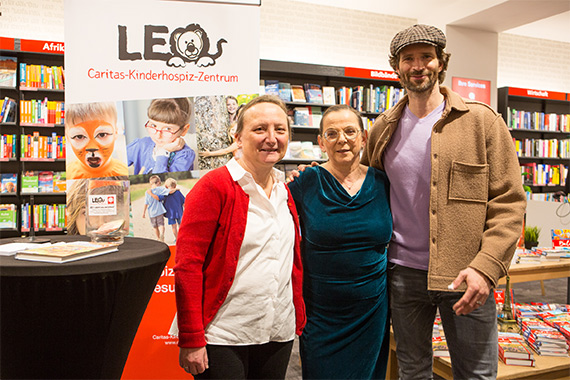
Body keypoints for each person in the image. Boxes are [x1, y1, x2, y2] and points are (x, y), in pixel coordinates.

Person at [362, 24, 526, 379]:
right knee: (412, 372)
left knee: (477, 374)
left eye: (426, 57)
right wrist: (315, 177)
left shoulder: (481, 121)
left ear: (441, 63)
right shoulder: (382, 128)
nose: (417, 66)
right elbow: (360, 187)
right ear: (397, 67)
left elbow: (510, 202)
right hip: (402, 274)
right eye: (409, 59)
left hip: (467, 275)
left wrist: (486, 267)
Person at [174, 95, 305, 379]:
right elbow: (188, 266)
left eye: (280, 130)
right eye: (260, 129)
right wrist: (191, 337)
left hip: (277, 330)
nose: (271, 138)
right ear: (238, 137)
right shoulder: (214, 187)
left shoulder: (286, 190)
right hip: (224, 335)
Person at [287, 104, 392, 379]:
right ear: (321, 142)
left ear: (363, 137)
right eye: (332, 134)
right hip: (321, 315)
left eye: (349, 131)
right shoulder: (304, 182)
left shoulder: (383, 183)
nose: (342, 139)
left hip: (372, 311)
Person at [127, 97, 195, 175]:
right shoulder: (140, 145)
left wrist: (163, 152)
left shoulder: (185, 156)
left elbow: (162, 181)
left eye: (167, 129)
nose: (158, 135)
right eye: (153, 125)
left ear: (184, 130)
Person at [65, 102, 129, 179]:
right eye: (79, 136)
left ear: (116, 132)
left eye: (102, 135)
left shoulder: (124, 174)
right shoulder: (68, 175)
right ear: (67, 137)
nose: (92, 147)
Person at [142, 174, 169, 242]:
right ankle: (162, 234)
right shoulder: (160, 189)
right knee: (161, 224)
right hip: (159, 211)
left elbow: (146, 203)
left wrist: (144, 213)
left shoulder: (147, 192)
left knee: (155, 227)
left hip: (152, 213)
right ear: (158, 182)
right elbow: (169, 192)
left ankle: (158, 238)